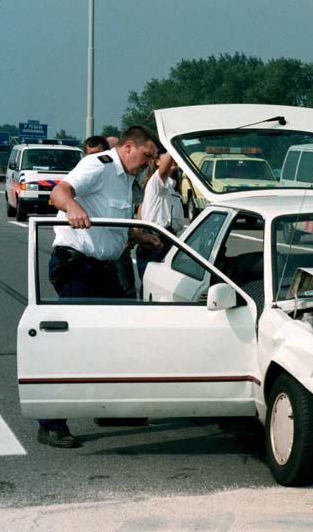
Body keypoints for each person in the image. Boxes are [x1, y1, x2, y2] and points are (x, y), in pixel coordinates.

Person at [38, 125, 161, 448]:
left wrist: (136, 235)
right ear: (129, 146)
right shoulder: (99, 166)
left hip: (104, 268)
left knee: (112, 341)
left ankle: (110, 409)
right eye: (147, 155)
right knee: (70, 344)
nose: (148, 163)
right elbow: (59, 192)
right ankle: (51, 423)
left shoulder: (127, 178)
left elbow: (107, 218)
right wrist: (72, 207)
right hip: (78, 265)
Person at [136, 148, 186, 286]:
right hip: (155, 241)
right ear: (157, 162)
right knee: (152, 288)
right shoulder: (156, 182)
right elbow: (164, 170)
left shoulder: (171, 186)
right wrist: (171, 144)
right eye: (170, 157)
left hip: (169, 241)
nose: (173, 159)